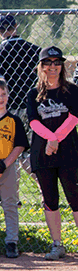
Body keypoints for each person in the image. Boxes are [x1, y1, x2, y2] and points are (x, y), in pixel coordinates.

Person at [27, 46, 78, 261]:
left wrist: (56, 139)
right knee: (50, 200)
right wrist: (50, 139)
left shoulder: (72, 90)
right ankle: (57, 244)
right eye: (48, 62)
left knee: (75, 198)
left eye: (57, 62)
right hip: (42, 154)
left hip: (67, 153)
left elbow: (74, 117)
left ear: (62, 65)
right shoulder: (34, 93)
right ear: (41, 66)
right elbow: (33, 121)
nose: (53, 66)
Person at [0, 77, 29, 258]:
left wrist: (4, 164)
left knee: (10, 205)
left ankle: (12, 242)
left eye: (3, 94)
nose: (1, 98)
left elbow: (19, 145)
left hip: (8, 166)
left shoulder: (14, 120)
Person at [0, 15, 41, 112]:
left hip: (6, 104)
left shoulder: (1, 51)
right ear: (16, 25)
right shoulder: (35, 50)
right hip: (31, 102)